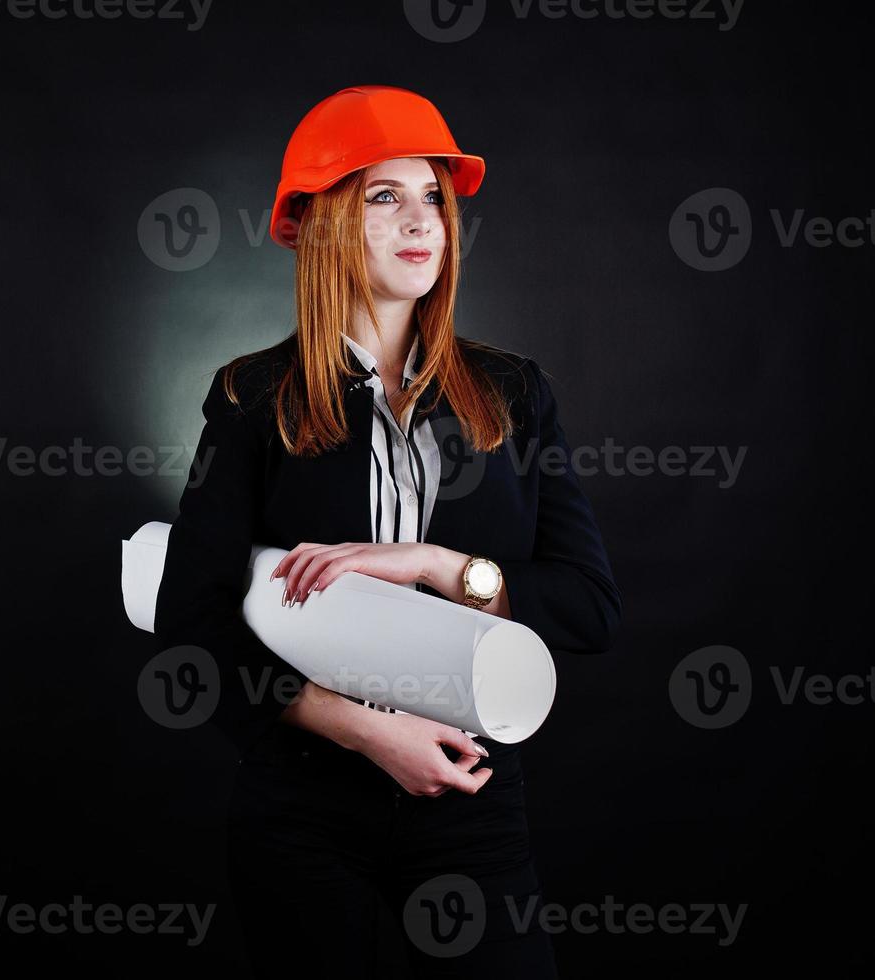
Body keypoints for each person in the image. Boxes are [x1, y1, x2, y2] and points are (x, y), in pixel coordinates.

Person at [151, 85, 621, 978]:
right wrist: (360, 730)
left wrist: (439, 565)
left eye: (432, 199)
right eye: (382, 197)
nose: (421, 222)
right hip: (302, 812)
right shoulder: (253, 399)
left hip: (472, 805)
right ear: (326, 223)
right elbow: (190, 621)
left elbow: (591, 608)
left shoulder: (514, 395)